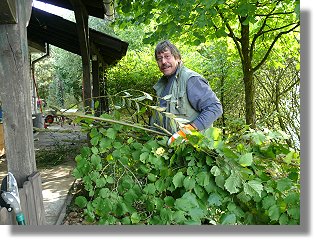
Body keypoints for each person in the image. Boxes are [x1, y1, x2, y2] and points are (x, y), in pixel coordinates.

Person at [151, 40, 223, 145]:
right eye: (159, 59)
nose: (163, 62)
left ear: (177, 58)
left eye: (167, 56)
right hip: (170, 150)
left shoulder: (190, 79)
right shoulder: (162, 85)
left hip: (192, 149)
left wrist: (189, 130)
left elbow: (215, 108)